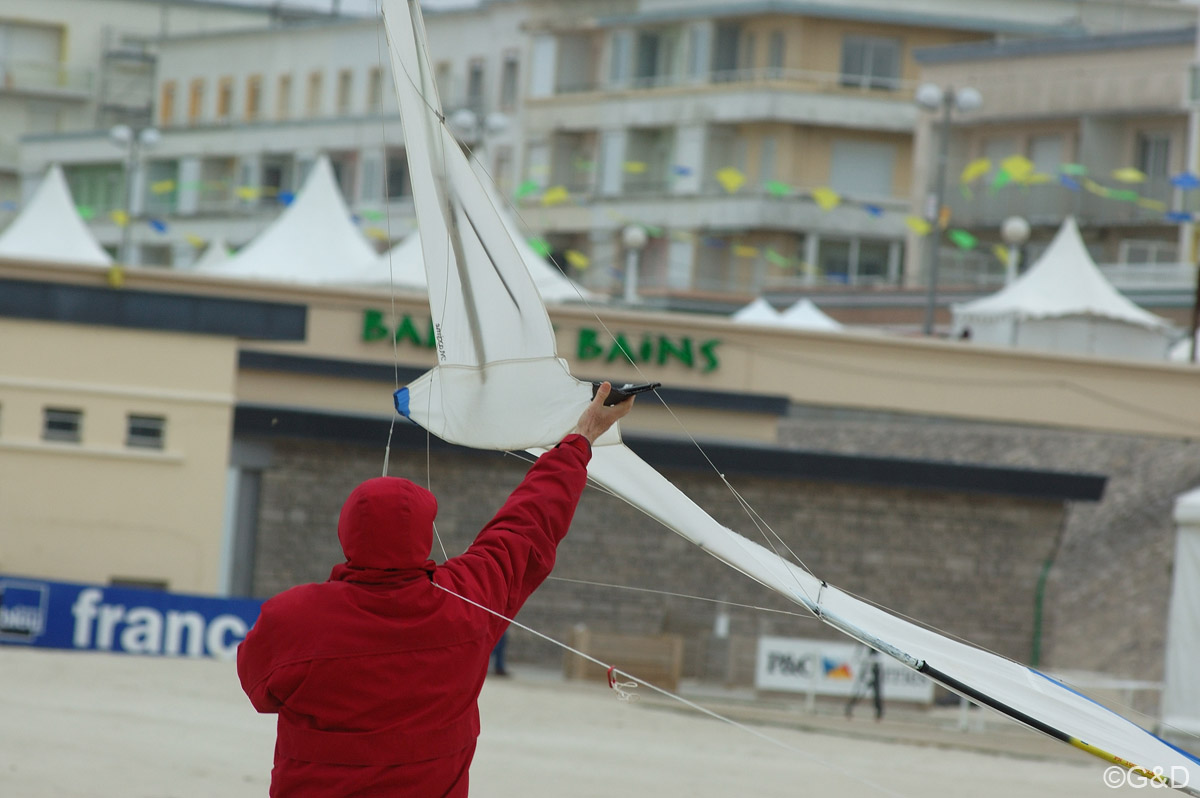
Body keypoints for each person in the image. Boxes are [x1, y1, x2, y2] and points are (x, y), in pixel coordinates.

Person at [236, 382, 634, 797]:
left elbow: (258, 688)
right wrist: (582, 435)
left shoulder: (294, 617)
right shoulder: (467, 599)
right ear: (425, 534)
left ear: (347, 532)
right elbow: (528, 524)